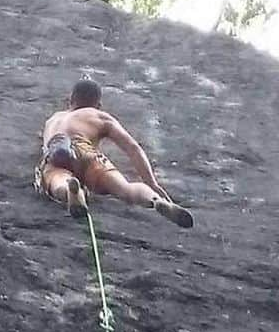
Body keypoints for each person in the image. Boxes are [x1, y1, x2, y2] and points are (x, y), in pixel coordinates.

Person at [34, 79, 193, 229]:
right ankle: (155, 200)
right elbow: (133, 148)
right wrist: (152, 183)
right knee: (125, 189)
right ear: (98, 104)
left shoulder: (53, 119)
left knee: (57, 179)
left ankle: (70, 191)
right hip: (86, 152)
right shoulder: (99, 116)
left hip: (56, 152)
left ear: (71, 99)